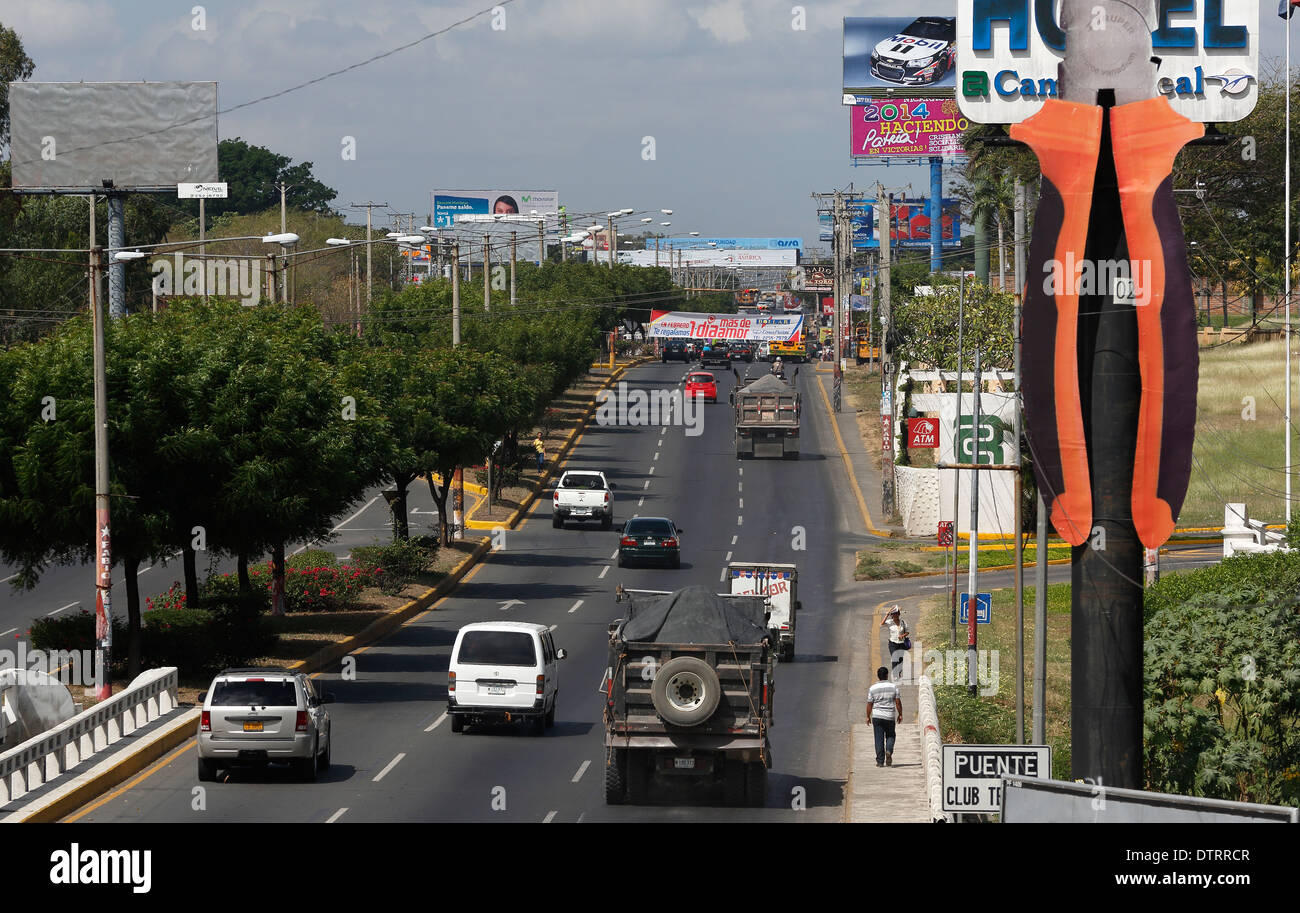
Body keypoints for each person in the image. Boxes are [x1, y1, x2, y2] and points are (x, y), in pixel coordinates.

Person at [866, 666, 902, 767]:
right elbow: (898, 703)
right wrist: (900, 714)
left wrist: (868, 716)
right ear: (887, 675)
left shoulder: (872, 688)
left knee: (878, 739)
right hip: (889, 716)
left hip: (877, 716)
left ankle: (880, 761)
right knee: (891, 735)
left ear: (878, 676)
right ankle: (889, 750)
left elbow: (869, 704)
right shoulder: (893, 687)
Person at [881, 605, 909, 680]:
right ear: (892, 615)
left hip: (901, 644)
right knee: (894, 658)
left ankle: (899, 672)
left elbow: (907, 632)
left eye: (897, 613)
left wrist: (902, 635)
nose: (896, 615)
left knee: (900, 660)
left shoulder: (903, 622)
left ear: (899, 614)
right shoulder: (889, 622)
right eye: (894, 614)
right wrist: (887, 614)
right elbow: (882, 624)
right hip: (892, 643)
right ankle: (895, 674)